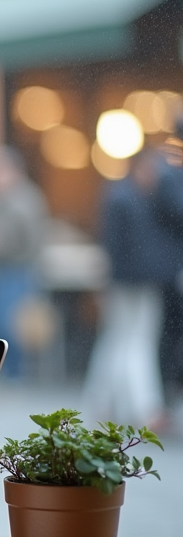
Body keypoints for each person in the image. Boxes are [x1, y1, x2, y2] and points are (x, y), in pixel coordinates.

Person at [83, 147, 172, 429]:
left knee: (117, 340)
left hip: (127, 281)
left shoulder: (124, 196)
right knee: (136, 342)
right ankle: (145, 410)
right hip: (133, 282)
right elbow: (121, 246)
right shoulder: (130, 198)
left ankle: (102, 402)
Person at [0, 145, 48, 377]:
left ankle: (13, 376)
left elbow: (27, 240)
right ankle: (3, 374)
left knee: (11, 328)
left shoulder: (24, 198)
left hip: (16, 272)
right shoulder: (0, 198)